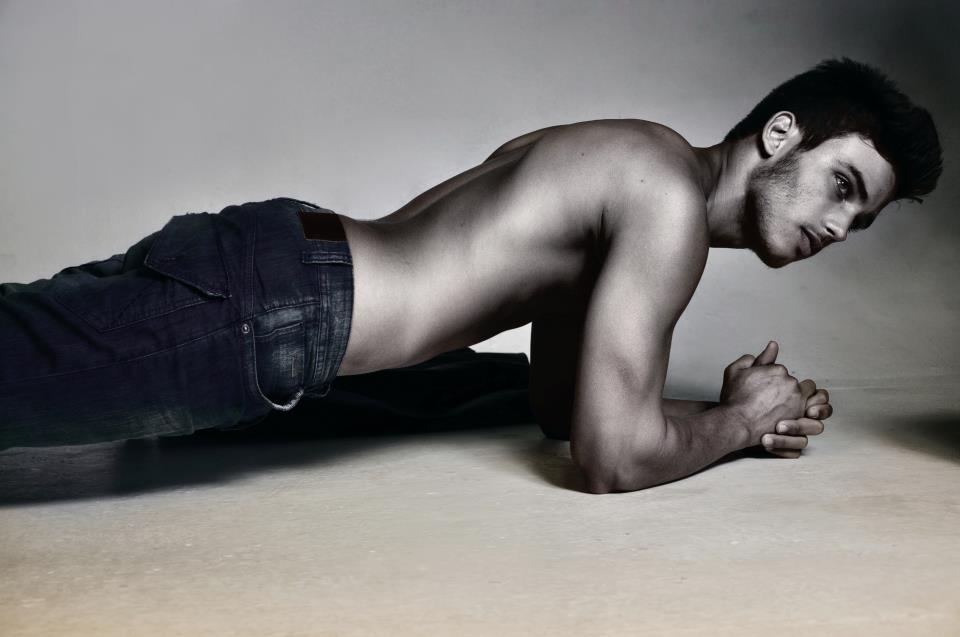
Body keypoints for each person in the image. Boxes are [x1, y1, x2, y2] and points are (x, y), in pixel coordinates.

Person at [0, 57, 942, 494]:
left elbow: (561, 408)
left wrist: (699, 410)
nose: (839, 226)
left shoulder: (630, 156)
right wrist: (740, 421)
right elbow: (609, 457)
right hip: (270, 307)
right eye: (842, 185)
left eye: (860, 220)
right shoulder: (664, 203)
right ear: (780, 134)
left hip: (267, 267)